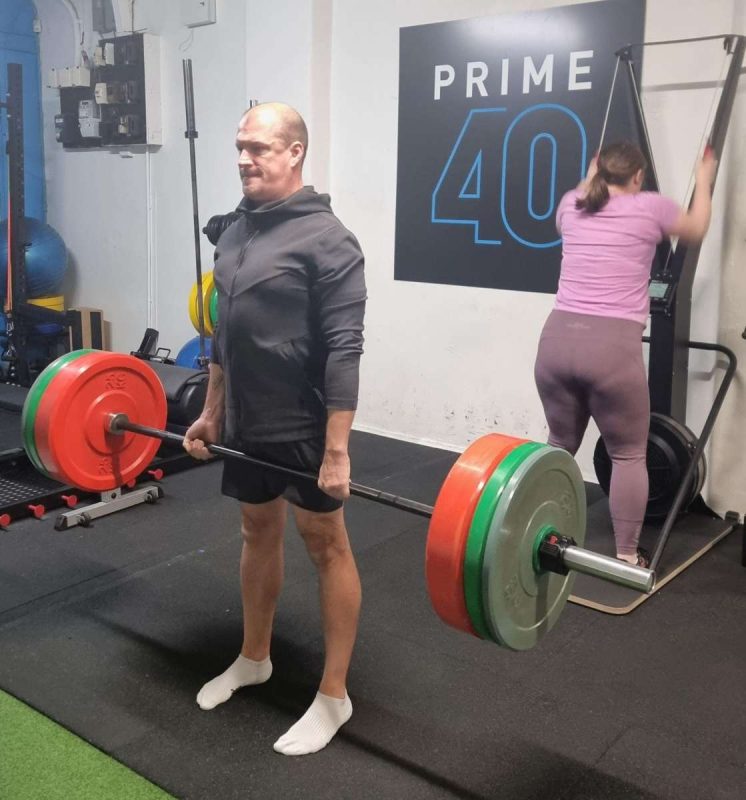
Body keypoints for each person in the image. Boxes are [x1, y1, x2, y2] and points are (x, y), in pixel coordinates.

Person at [183, 102, 366, 756]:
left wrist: (336, 452)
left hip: (304, 424)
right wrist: (211, 412)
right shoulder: (235, 232)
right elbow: (224, 336)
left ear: (295, 153)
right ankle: (254, 657)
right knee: (255, 528)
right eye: (239, 145)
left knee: (326, 544)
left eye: (258, 147)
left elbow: (345, 349)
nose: (243, 158)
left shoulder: (329, 240)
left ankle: (334, 695)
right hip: (246, 420)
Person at [534, 140, 717, 566]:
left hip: (556, 342)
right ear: (637, 177)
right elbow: (697, 227)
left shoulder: (573, 202)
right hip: (611, 349)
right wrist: (704, 181)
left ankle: (538, 532)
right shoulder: (651, 206)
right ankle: (626, 556)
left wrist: (592, 170)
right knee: (629, 453)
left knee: (559, 443)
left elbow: (578, 200)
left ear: (598, 170)